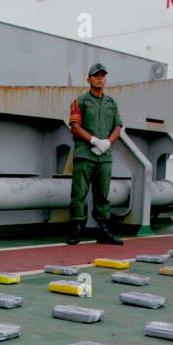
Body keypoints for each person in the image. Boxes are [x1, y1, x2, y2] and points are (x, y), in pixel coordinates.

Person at [67, 63, 124, 245]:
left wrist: (107, 142)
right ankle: (76, 229)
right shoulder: (80, 101)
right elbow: (75, 126)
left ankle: (104, 231)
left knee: (102, 195)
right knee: (79, 193)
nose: (100, 78)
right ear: (89, 79)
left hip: (104, 156)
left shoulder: (111, 103)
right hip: (85, 154)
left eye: (102, 75)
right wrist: (93, 140)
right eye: (96, 75)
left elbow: (118, 126)